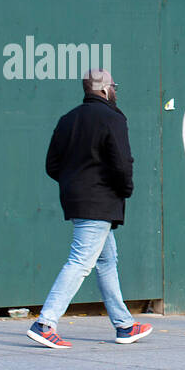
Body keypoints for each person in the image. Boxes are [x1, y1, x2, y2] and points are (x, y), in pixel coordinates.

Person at [27, 69, 152, 348]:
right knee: (81, 261)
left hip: (80, 200)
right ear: (106, 89)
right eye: (114, 86)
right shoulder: (113, 118)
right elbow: (122, 162)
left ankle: (124, 326)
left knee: (106, 261)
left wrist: (76, 184)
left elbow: (52, 165)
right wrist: (125, 189)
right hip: (100, 202)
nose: (115, 90)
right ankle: (45, 322)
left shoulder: (67, 120)